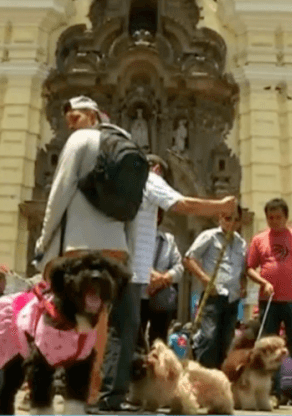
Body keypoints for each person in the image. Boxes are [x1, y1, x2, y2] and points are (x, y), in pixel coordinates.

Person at [98, 154, 236, 412]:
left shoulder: (122, 184)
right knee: (124, 334)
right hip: (132, 273)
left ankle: (113, 393)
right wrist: (221, 205)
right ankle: (110, 397)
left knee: (121, 333)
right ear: (157, 168)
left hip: (118, 267)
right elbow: (184, 204)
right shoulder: (149, 179)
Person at [33, 95, 134, 408]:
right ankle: (89, 390)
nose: (70, 125)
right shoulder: (125, 142)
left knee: (60, 313)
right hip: (114, 246)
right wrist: (125, 247)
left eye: (75, 117)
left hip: (78, 244)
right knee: (97, 319)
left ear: (92, 115)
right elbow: (134, 203)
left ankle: (45, 384)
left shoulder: (81, 140)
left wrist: (43, 240)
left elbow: (60, 191)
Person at [246, 198, 292, 412]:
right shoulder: (259, 239)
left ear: (286, 217)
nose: (274, 221)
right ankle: (272, 394)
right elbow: (250, 268)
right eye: (270, 217)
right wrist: (263, 282)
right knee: (268, 351)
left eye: (278, 217)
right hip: (268, 301)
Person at [184, 206, 246, 370]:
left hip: (232, 297)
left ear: (240, 222)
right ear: (220, 218)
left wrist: (243, 286)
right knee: (208, 337)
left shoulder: (241, 243)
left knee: (226, 339)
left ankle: (218, 376)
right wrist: (205, 279)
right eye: (227, 218)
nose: (231, 223)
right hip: (213, 295)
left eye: (235, 219)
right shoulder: (209, 236)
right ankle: (203, 372)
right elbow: (189, 258)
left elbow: (242, 269)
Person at [139, 208, 183, 348]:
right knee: (135, 340)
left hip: (160, 299)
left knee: (159, 342)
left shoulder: (168, 241)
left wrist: (163, 278)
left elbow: (179, 267)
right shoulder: (134, 237)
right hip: (137, 297)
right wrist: (149, 274)